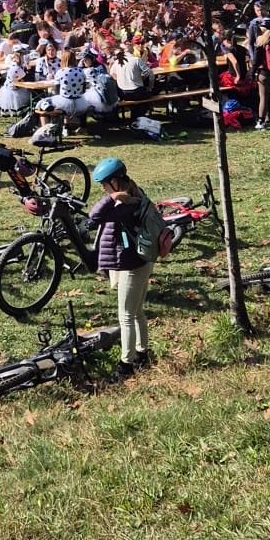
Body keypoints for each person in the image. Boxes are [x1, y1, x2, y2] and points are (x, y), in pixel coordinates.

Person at [87, 157, 159, 378]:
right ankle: (142, 353)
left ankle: (126, 365)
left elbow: (94, 217)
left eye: (105, 184)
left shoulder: (127, 205)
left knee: (126, 316)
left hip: (131, 265)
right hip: (142, 262)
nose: (103, 188)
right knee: (137, 312)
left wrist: (111, 199)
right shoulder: (137, 192)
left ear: (115, 182)